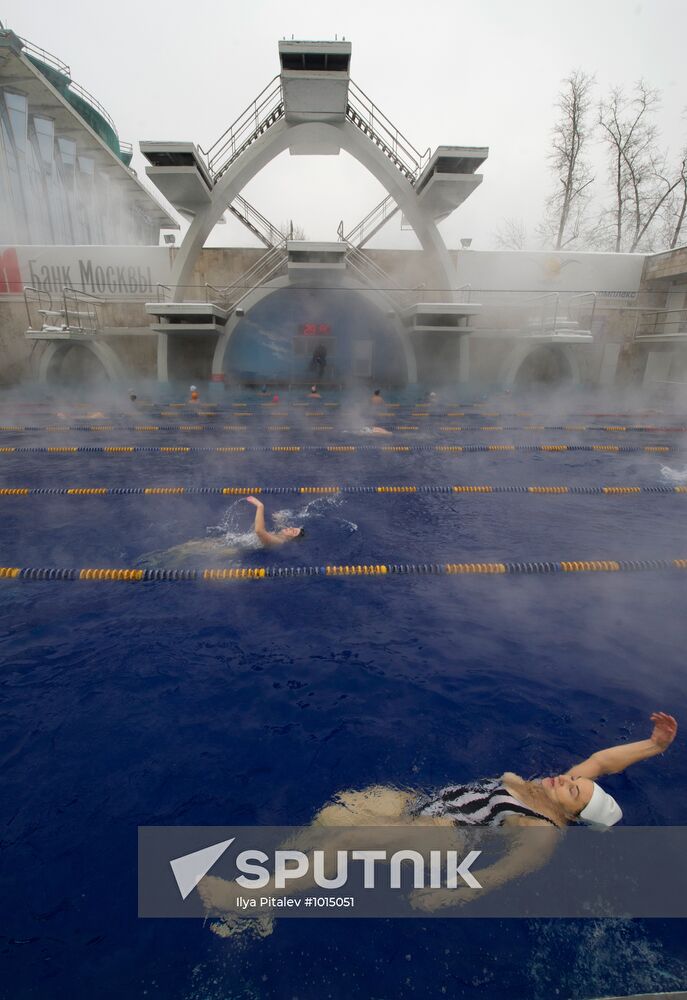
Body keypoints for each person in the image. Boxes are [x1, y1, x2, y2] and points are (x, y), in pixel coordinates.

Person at [198, 712, 677, 920]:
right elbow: (601, 761)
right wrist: (654, 746)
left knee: (344, 842)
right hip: (426, 804)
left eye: (574, 789)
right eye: (574, 779)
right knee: (336, 811)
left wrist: (451, 896)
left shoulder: (543, 830)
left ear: (573, 816)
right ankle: (281, 887)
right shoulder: (550, 791)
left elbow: (503, 874)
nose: (568, 779)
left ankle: (249, 898)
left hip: (446, 836)